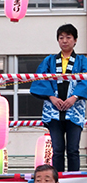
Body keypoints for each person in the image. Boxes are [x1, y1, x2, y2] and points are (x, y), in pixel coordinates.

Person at [30, 24, 87, 172]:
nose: (64, 41)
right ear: (58, 40)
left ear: (75, 40)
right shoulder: (49, 61)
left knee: (73, 150)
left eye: (68, 37)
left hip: (74, 110)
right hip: (53, 111)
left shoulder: (82, 61)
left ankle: (74, 179)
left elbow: (85, 81)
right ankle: (58, 178)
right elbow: (40, 79)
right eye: (61, 38)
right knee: (58, 150)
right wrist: (51, 97)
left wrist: (74, 97)